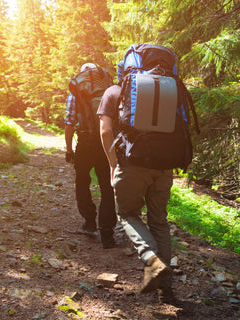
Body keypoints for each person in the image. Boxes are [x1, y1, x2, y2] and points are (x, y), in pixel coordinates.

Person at [97, 81, 175, 303]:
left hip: (132, 164)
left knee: (128, 214)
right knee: (159, 220)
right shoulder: (167, 88)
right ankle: (165, 286)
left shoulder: (113, 91)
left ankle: (151, 259)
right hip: (164, 165)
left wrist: (112, 164)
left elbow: (105, 131)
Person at [64, 62, 118, 249]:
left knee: (82, 181)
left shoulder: (76, 93)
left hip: (85, 143)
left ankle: (89, 222)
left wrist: (69, 149)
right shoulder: (109, 90)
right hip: (105, 144)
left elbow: (70, 123)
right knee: (107, 185)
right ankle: (107, 233)